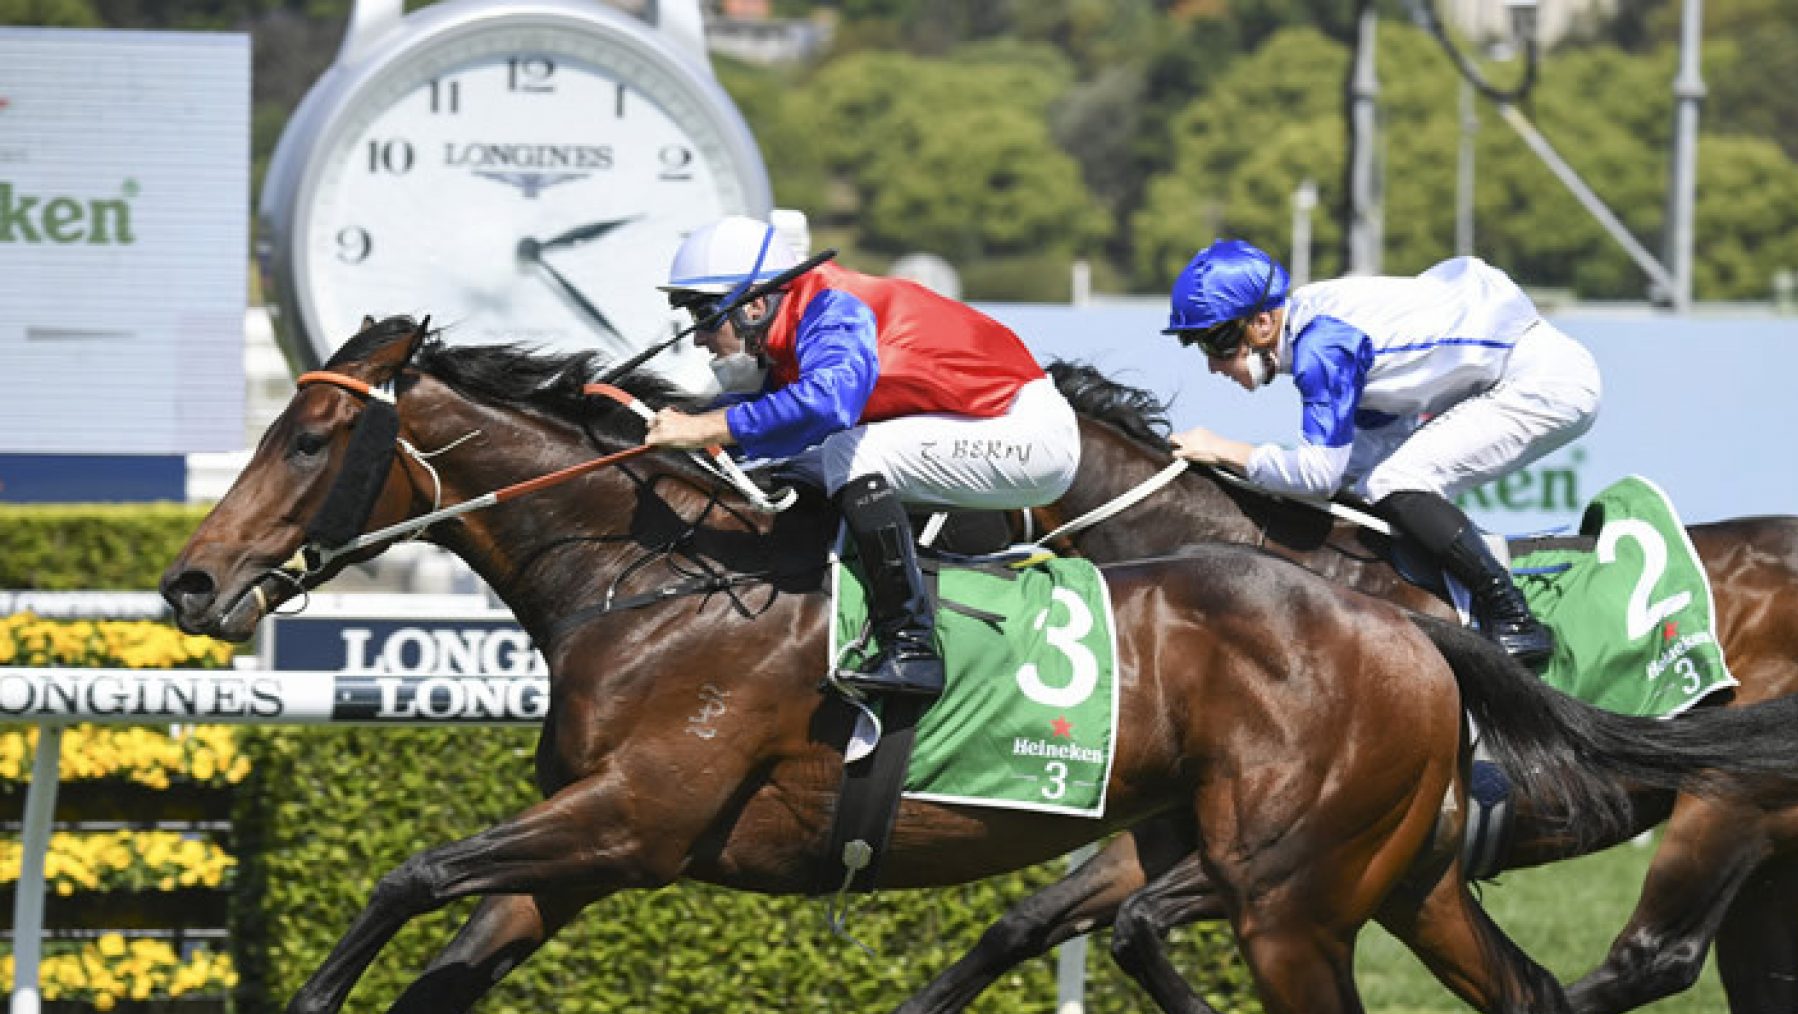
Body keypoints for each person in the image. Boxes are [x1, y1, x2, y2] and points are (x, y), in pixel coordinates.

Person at [646, 216, 1081, 700]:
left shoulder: (832, 308)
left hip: (1027, 434)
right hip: (983, 426)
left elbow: (828, 403)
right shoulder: (791, 331)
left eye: (704, 318)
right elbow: (774, 427)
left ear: (753, 306)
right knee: (803, 466)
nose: (698, 339)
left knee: (852, 453)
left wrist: (705, 427)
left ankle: (912, 647)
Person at [1163, 238, 1601, 668]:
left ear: (1261, 324)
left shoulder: (1322, 347)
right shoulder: (1310, 322)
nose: (1212, 365)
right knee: (1380, 481)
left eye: (1215, 344)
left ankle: (1514, 617)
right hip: (1521, 368)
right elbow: (1365, 449)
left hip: (1542, 382)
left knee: (1396, 482)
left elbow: (1319, 475)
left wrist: (1224, 449)